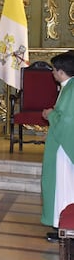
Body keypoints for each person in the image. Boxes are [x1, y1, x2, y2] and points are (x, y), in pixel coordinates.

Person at [41, 52, 74, 242]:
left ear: (61, 72)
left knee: (64, 185)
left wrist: (50, 115)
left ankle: (65, 226)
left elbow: (67, 121)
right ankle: (61, 223)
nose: (52, 73)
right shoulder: (68, 87)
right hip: (61, 144)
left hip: (64, 148)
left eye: (54, 69)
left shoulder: (70, 89)